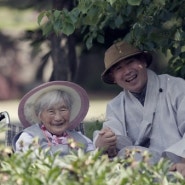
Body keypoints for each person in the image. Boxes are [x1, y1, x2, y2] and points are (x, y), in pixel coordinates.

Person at [93, 41, 185, 176]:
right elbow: (113, 139)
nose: (127, 71)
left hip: (178, 167)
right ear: (113, 78)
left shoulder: (176, 87)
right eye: (118, 68)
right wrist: (103, 143)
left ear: (143, 62)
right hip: (141, 170)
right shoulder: (116, 106)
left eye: (130, 62)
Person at [13, 81, 95, 156]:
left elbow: (94, 162)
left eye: (63, 110)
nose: (58, 118)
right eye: (51, 111)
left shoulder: (81, 138)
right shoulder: (29, 138)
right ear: (39, 115)